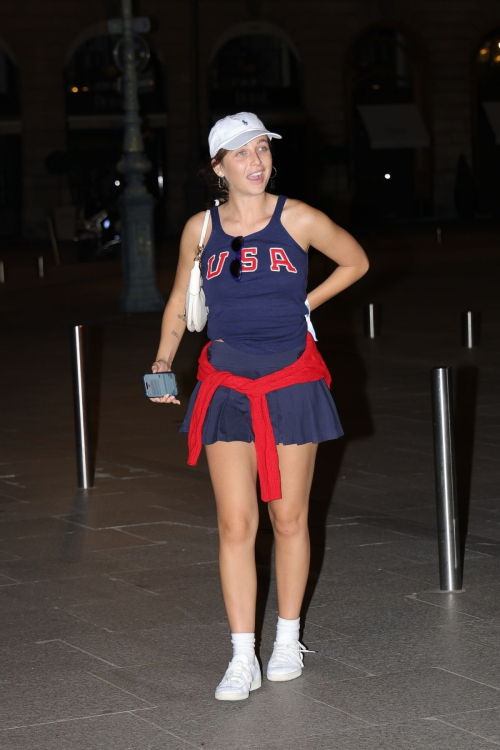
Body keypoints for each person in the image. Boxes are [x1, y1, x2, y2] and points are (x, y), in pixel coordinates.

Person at [150, 112, 369, 701]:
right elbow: (178, 301)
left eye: (262, 150)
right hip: (225, 385)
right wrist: (163, 361)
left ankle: (288, 638)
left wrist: (306, 304)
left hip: (291, 383)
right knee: (234, 523)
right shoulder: (200, 229)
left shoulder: (297, 217)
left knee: (289, 517)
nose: (256, 162)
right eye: (241, 153)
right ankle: (241, 654)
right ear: (218, 167)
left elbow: (355, 261)